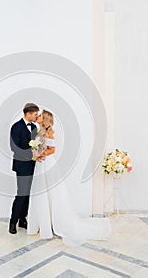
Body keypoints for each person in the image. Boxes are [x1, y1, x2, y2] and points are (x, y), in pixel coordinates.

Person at [27, 109, 112, 246]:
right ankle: (43, 222)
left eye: (41, 115)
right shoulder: (38, 131)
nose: (38, 116)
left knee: (51, 192)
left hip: (47, 164)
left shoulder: (49, 132)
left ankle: (55, 222)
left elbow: (52, 149)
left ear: (46, 118)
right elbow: (39, 147)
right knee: (40, 192)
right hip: (40, 164)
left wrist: (42, 154)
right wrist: (36, 153)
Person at [9, 103, 40, 234]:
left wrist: (39, 152)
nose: (37, 116)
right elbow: (14, 148)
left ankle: (23, 219)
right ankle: (13, 221)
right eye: (35, 114)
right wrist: (31, 153)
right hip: (21, 165)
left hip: (32, 165)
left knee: (27, 194)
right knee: (21, 193)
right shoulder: (16, 127)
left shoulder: (34, 127)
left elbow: (36, 145)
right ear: (28, 114)